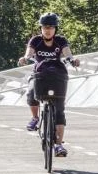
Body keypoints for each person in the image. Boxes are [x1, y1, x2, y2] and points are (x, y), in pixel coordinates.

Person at [18, 12, 81, 157]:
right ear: (41, 28)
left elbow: (68, 54)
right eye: (45, 27)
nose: (48, 30)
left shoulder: (60, 41)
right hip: (40, 75)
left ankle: (58, 145)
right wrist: (25, 58)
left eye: (51, 27)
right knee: (31, 92)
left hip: (57, 75)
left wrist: (73, 60)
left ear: (55, 29)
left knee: (59, 111)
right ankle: (35, 118)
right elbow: (29, 53)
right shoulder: (36, 41)